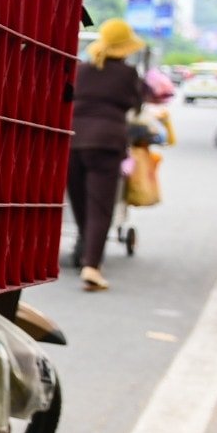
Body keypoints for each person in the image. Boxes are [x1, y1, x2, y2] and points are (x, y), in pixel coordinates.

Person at [68, 19, 147, 291]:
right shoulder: (128, 74)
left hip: (72, 140)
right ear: (124, 47)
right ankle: (92, 265)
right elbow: (136, 105)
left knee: (79, 202)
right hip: (106, 143)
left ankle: (84, 243)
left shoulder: (81, 70)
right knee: (100, 207)